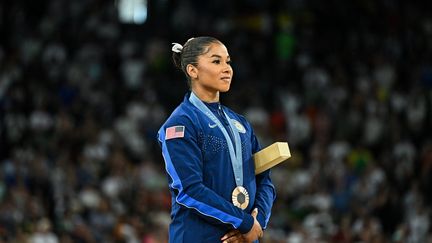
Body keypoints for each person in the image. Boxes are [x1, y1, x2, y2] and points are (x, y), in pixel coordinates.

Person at [157, 36, 276, 243]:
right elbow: (189, 190)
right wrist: (244, 223)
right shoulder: (180, 124)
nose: (227, 68)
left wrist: (257, 221)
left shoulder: (241, 124)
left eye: (228, 61)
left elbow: (264, 178)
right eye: (216, 61)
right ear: (192, 71)